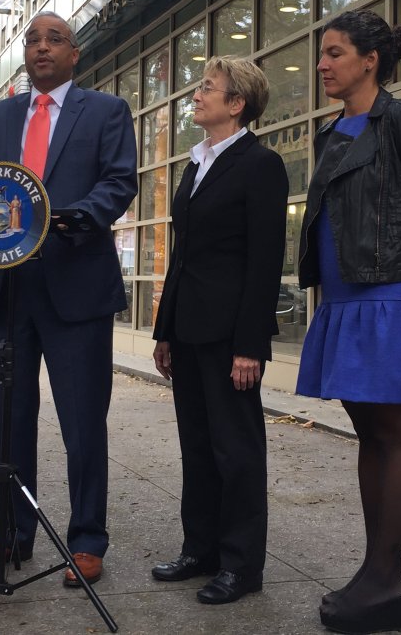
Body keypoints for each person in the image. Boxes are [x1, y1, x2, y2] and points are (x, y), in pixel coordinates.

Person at [0, 11, 137, 587]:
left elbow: (118, 181)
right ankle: (7, 534)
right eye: (32, 40)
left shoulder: (106, 111)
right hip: (8, 289)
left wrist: (68, 218)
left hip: (75, 285)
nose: (40, 48)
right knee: (8, 422)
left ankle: (86, 540)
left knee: (82, 423)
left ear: (74, 54)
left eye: (53, 39)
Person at [296, 9, 401, 634]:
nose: (322, 64)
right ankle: (375, 571)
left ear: (370, 60)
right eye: (322, 54)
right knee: (370, 432)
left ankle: (388, 578)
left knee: (393, 432)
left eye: (334, 53)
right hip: (344, 300)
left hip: (389, 298)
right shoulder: (331, 132)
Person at [150, 56, 289, 604]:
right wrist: (164, 331)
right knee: (198, 446)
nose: (196, 95)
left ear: (237, 103)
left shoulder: (261, 165)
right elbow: (182, 255)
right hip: (187, 330)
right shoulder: (196, 165)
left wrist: (250, 345)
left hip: (231, 335)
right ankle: (200, 548)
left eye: (207, 88)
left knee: (237, 451)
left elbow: (264, 262)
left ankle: (241, 565)